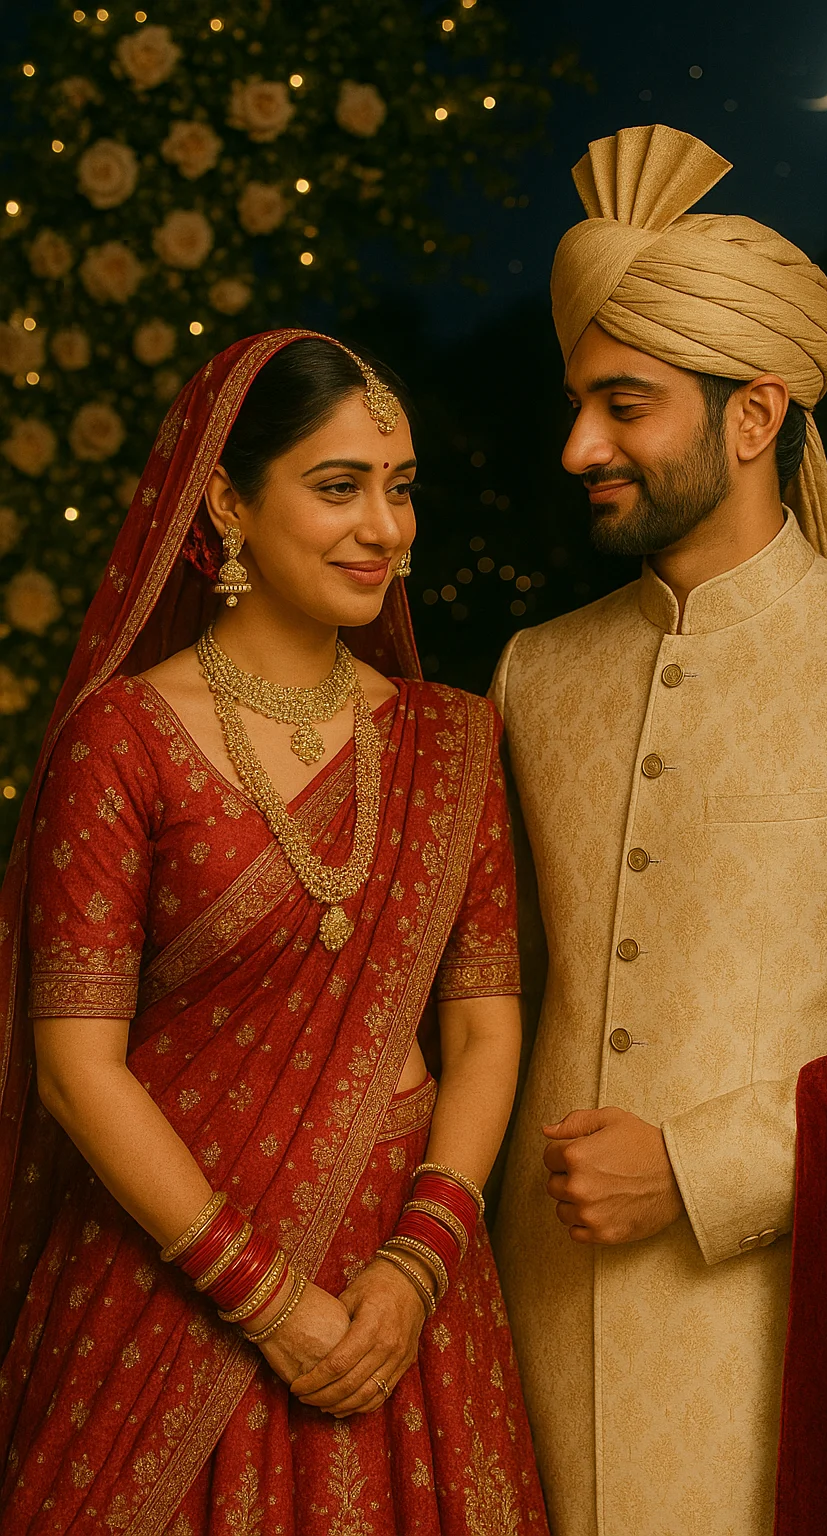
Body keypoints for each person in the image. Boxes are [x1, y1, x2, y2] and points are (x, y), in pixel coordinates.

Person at [490, 125, 827, 1536]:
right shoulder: (534, 674)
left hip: (765, 1334)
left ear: (754, 413)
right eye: (577, 401)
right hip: (518, 1320)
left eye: (624, 404)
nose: (579, 447)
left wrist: (691, 1164)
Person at [0, 330, 550, 1536]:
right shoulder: (123, 738)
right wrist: (270, 1301)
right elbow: (73, 1069)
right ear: (226, 502)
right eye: (338, 486)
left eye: (400, 489)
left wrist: (415, 1268)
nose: (384, 530)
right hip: (171, 1282)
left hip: (407, 1294)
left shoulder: (452, 744)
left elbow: (485, 1031)